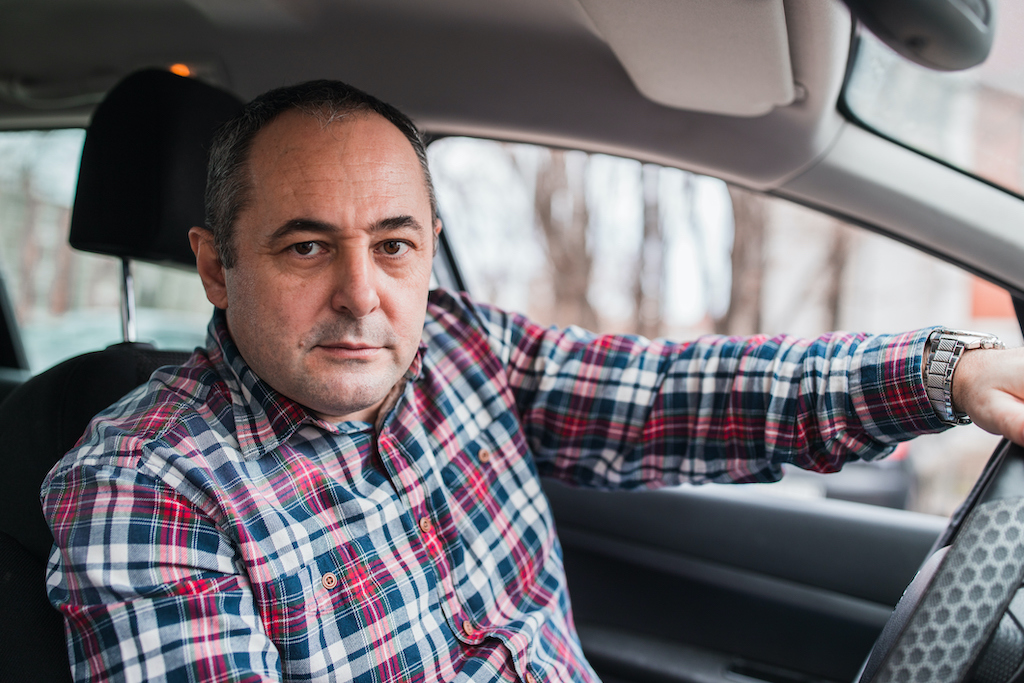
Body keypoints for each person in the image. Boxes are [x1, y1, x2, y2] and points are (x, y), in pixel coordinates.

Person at [41, 79, 1024, 683]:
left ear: (431, 254)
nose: (362, 295)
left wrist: (946, 371)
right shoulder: (146, 479)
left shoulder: (464, 347)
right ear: (218, 267)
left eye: (394, 245)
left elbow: (672, 394)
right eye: (306, 247)